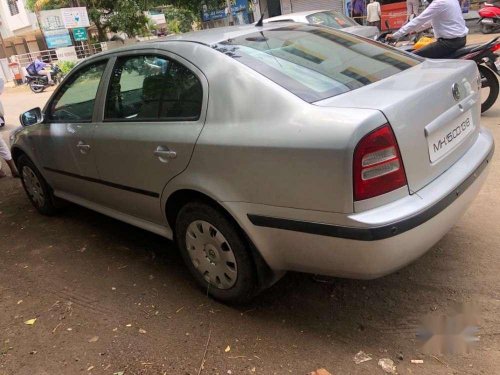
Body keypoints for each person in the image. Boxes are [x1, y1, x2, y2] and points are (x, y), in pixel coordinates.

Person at [387, 0, 468, 58]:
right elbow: (429, 22)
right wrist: (415, 30)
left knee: (412, 57)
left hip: (449, 43)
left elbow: (418, 20)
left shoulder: (439, 3)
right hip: (460, 40)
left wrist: (395, 35)